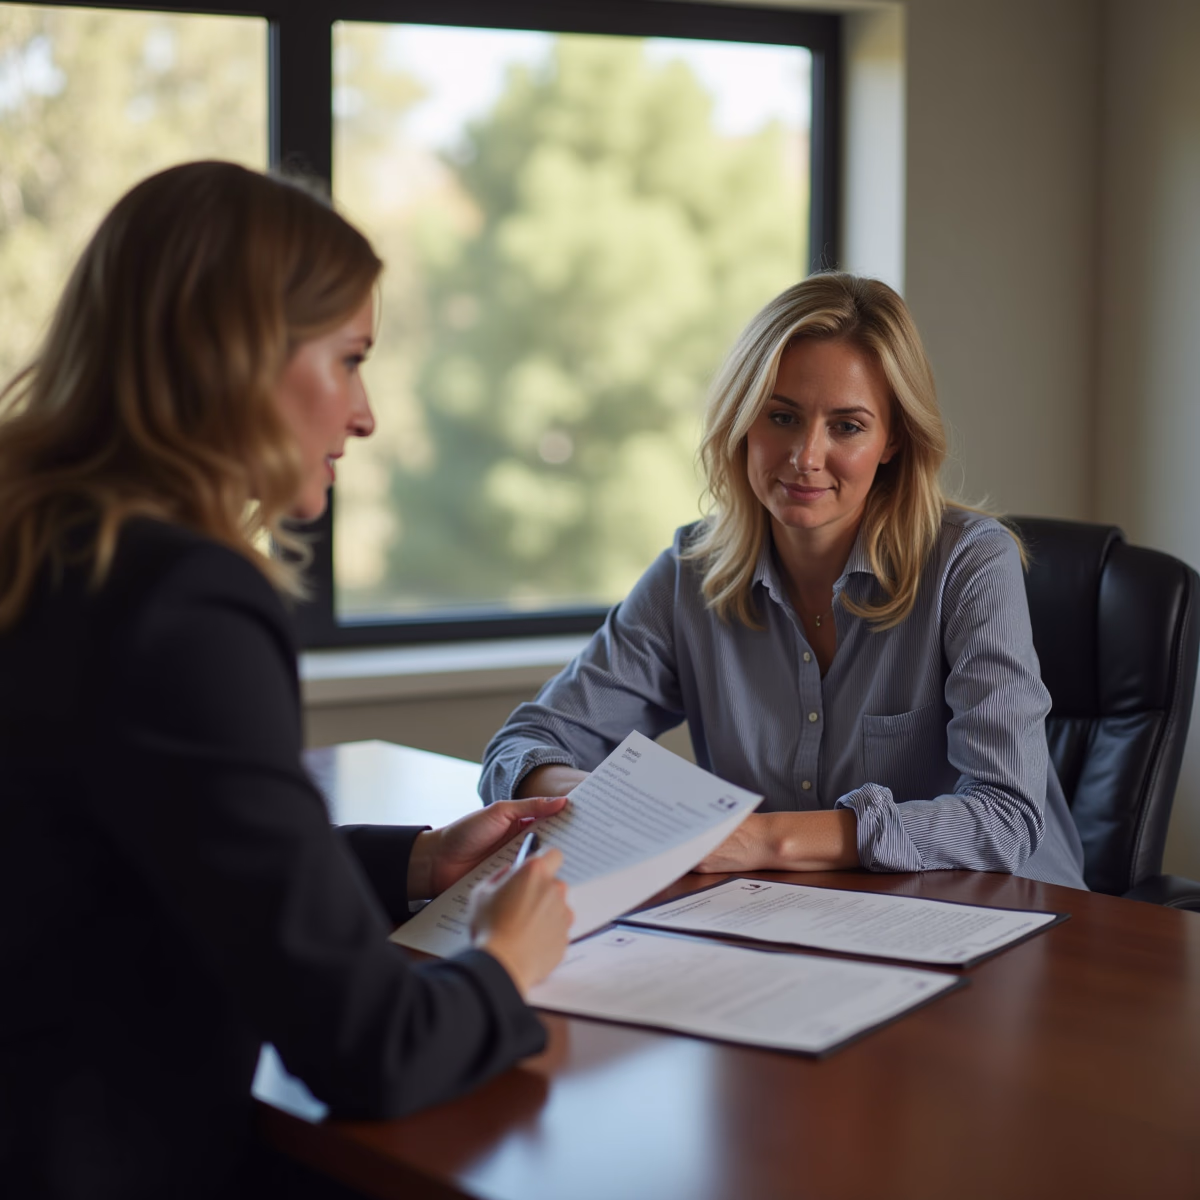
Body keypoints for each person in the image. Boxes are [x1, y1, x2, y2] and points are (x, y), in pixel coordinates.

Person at [0, 161, 572, 1200]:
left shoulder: (45, 546)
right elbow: (367, 1048)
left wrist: (418, 862)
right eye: (348, 361)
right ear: (238, 357)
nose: (365, 415)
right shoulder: (184, 602)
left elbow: (139, 853)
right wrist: (504, 965)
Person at [481, 273, 1087, 890]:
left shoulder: (970, 563)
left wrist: (758, 838)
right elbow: (524, 745)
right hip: (805, 915)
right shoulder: (693, 572)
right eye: (782, 416)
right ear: (743, 422)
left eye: (847, 426)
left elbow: (1004, 819)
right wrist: (607, 803)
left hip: (1011, 914)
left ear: (893, 439)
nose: (805, 457)